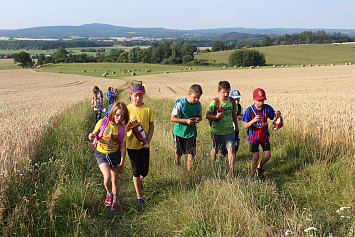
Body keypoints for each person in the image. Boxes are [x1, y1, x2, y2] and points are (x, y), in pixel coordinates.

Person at [88, 102, 129, 211]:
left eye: (122, 116)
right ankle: (109, 193)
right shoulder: (103, 122)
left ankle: (115, 201)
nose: (119, 118)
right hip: (101, 153)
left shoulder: (122, 128)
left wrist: (122, 162)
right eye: (117, 115)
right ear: (112, 113)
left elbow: (123, 147)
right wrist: (91, 135)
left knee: (115, 180)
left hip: (114, 154)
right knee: (107, 177)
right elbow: (94, 133)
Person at [242, 88, 281, 180]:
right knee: (256, 156)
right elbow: (245, 125)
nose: (261, 103)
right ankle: (252, 174)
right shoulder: (249, 110)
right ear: (254, 99)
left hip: (264, 136)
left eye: (262, 100)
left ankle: (259, 167)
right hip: (254, 138)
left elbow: (273, 117)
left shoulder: (267, 108)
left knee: (268, 155)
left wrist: (278, 114)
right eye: (259, 100)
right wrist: (253, 121)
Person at [125, 84, 154, 207]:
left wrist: (149, 138)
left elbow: (151, 125)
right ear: (130, 95)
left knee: (145, 171)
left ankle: (139, 181)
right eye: (136, 96)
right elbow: (124, 130)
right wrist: (129, 125)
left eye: (140, 95)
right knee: (136, 171)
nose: (138, 98)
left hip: (144, 145)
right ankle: (139, 197)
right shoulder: (127, 110)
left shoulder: (148, 109)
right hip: (131, 145)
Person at [206, 81, 238, 171]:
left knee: (231, 150)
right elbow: (207, 115)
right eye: (224, 92)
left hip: (229, 131)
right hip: (217, 131)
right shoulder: (215, 102)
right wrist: (216, 117)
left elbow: (234, 115)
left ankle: (232, 171)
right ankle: (213, 166)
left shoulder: (232, 101)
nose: (226, 94)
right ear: (219, 91)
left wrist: (237, 127)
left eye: (228, 92)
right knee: (215, 149)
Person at [170, 84, 203, 171]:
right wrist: (186, 121)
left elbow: (200, 117)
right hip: (179, 132)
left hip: (191, 133)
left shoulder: (198, 105)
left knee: (191, 153)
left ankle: (190, 172)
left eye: (198, 98)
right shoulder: (181, 104)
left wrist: (198, 119)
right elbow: (172, 118)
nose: (196, 100)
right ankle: (177, 162)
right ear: (189, 94)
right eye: (195, 97)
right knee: (179, 152)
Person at [221, 90, 243, 156]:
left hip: (235, 127)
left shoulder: (240, 107)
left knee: (236, 141)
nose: (237, 102)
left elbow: (242, 115)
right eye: (235, 99)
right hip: (227, 127)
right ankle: (223, 154)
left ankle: (234, 154)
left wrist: (239, 118)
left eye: (238, 99)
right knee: (225, 142)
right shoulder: (228, 106)